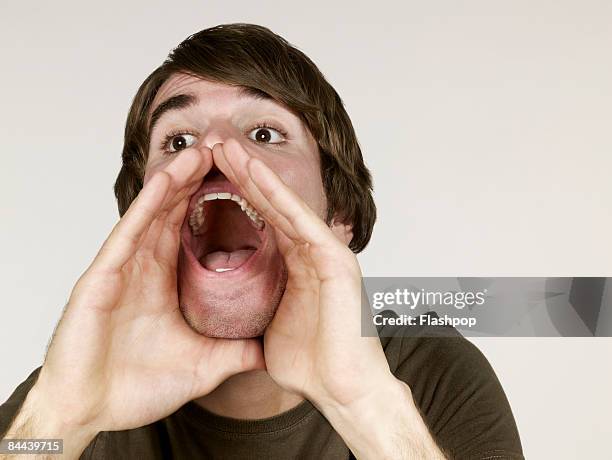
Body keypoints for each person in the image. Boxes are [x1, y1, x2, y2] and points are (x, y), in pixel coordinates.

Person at [0, 23, 524, 459]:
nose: (214, 150)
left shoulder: (429, 369)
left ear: (338, 213)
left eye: (264, 134)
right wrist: (63, 416)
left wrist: (365, 407)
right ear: (141, 218)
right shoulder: (73, 390)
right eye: (179, 140)